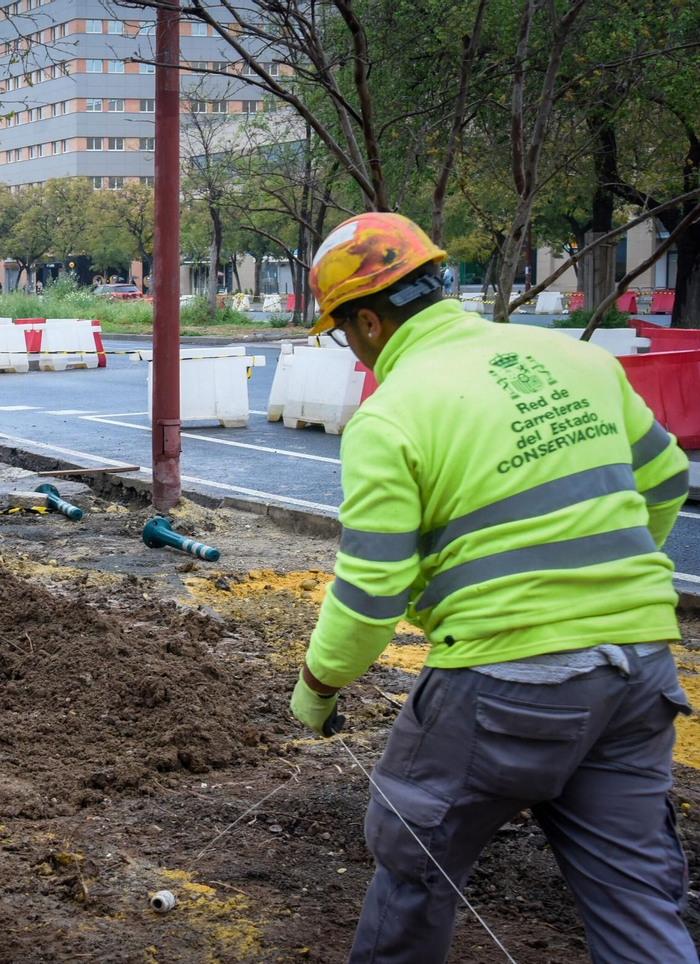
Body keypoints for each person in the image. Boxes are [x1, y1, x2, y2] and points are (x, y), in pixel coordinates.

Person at [291, 212, 696, 964]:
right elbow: (667, 478)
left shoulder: (391, 416)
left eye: (343, 330)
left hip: (505, 681)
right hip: (639, 671)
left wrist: (318, 686)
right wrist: (602, 585)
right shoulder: (577, 361)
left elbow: (373, 589)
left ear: (369, 322)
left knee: (413, 856)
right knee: (636, 894)